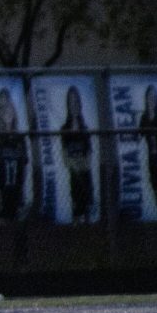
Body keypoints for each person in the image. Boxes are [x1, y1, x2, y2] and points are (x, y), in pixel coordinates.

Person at [0, 87, 28, 222]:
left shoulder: (20, 137)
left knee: (19, 222)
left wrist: (23, 188)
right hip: (3, 185)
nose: (7, 115)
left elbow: (24, 164)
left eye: (10, 111)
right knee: (3, 219)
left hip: (17, 186)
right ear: (0, 114)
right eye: (4, 112)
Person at [60, 86, 94, 223]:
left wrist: (84, 163)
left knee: (87, 208)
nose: (73, 105)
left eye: (75, 101)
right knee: (76, 207)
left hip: (85, 173)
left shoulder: (85, 128)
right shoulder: (65, 129)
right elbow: (64, 156)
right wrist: (73, 164)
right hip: (74, 175)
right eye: (70, 101)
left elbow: (89, 153)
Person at [142, 85, 157, 202]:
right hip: (151, 156)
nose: (151, 99)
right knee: (155, 183)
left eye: (154, 97)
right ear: (146, 99)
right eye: (149, 97)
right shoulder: (144, 116)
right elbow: (139, 134)